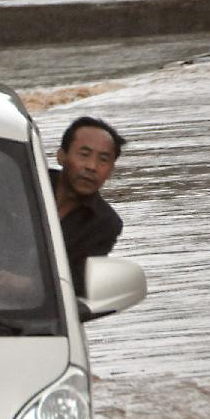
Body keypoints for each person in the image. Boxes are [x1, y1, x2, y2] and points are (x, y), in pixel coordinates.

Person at [51, 116, 124, 295]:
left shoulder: (105, 224)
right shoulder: (22, 183)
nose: (92, 166)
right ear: (61, 156)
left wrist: (30, 285)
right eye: (84, 154)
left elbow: (78, 282)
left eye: (103, 159)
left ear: (111, 170)